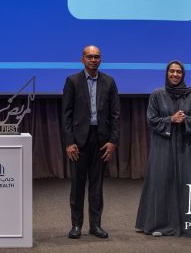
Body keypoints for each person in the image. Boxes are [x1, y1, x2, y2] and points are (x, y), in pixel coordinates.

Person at [135, 60, 191, 237]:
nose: (175, 74)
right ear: (167, 73)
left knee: (185, 182)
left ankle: (186, 225)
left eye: (178, 72)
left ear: (183, 74)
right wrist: (170, 120)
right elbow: (151, 119)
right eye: (172, 71)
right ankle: (158, 224)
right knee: (160, 182)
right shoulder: (157, 94)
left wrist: (184, 119)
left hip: (184, 145)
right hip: (162, 144)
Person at [61, 45, 120, 239]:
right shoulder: (72, 81)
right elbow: (66, 115)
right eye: (89, 57)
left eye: (97, 57)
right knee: (77, 185)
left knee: (97, 186)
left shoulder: (109, 82)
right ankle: (76, 225)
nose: (93, 60)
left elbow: (115, 114)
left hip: (101, 140)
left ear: (100, 59)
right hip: (79, 141)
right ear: (82, 59)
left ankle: (95, 225)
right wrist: (69, 142)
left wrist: (113, 141)